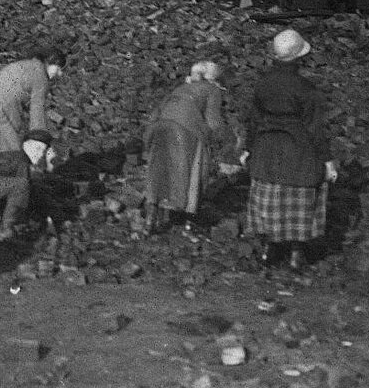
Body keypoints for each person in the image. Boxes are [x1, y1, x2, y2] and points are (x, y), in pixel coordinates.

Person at [243, 29, 337, 271]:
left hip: (266, 150)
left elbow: (253, 121)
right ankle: (296, 253)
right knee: (301, 198)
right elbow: (316, 129)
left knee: (269, 199)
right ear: (300, 57)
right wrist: (327, 161)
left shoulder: (263, 85)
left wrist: (247, 149)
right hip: (298, 150)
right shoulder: (307, 89)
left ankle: (269, 249)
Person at [144, 61, 229, 233]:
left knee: (159, 170)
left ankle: (150, 217)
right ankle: (190, 216)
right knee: (193, 168)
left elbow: (156, 112)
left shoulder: (181, 88)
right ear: (215, 79)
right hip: (185, 128)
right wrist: (227, 139)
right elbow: (213, 121)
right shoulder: (212, 90)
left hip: (159, 126)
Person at [0, 48, 66, 181]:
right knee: (9, 152)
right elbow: (37, 111)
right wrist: (41, 139)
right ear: (49, 62)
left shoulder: (23, 65)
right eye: (58, 68)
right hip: (2, 111)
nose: (60, 74)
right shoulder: (41, 76)